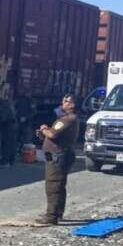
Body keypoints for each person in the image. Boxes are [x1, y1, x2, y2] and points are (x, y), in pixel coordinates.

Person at [35, 94, 79, 226]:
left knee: (53, 185)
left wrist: (44, 129)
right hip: (60, 154)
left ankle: (51, 216)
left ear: (72, 105)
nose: (63, 103)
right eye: (63, 100)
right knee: (59, 185)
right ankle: (58, 212)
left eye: (66, 101)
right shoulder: (68, 119)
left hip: (58, 156)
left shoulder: (68, 119)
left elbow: (52, 134)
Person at [0, 95, 18, 166]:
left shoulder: (4, 105)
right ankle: (11, 160)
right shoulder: (11, 105)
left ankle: (5, 160)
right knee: (12, 143)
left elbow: (3, 118)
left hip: (7, 126)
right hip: (13, 126)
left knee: (6, 143)